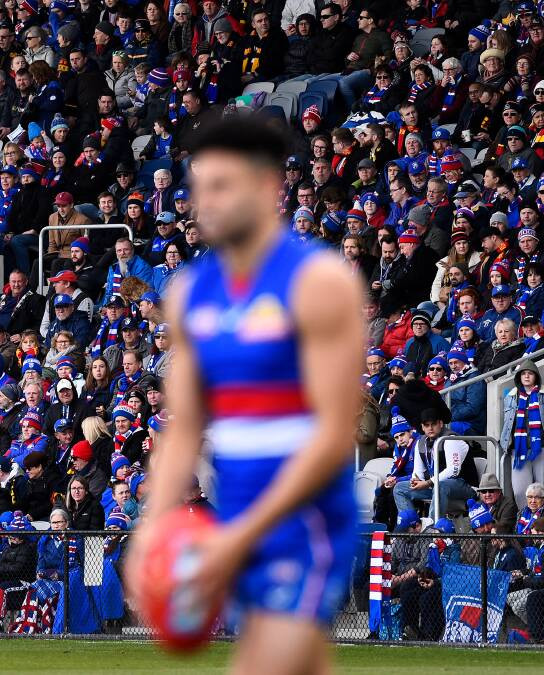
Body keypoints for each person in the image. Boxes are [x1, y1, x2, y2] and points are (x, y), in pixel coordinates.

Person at [127, 120, 363, 671]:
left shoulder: (318, 283)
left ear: (266, 187)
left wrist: (237, 538)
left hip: (305, 516)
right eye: (197, 187)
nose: (200, 203)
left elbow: (333, 438)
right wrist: (152, 533)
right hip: (236, 510)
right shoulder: (188, 292)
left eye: (220, 186)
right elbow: (183, 428)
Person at [500, 360, 544, 509]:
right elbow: (507, 423)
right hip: (519, 451)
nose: (526, 376)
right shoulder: (511, 397)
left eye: (530, 373)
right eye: (523, 374)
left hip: (543, 448)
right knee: (520, 491)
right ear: (518, 377)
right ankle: (526, 525)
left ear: (536, 377)